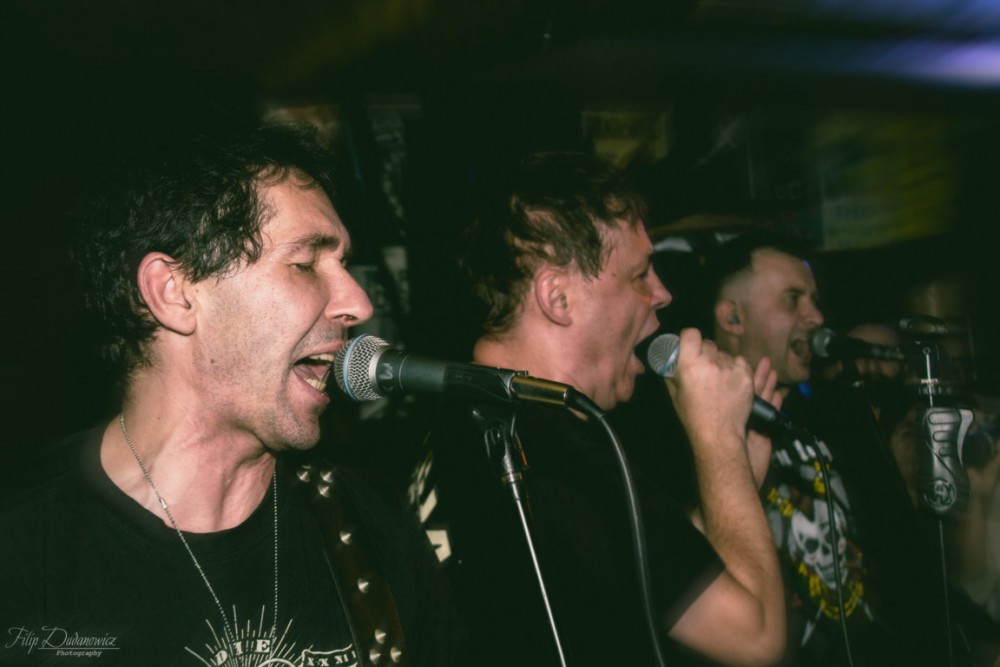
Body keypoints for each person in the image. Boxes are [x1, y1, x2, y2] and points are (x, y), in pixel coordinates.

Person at [0, 119, 463, 666]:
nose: (357, 303)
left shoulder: (373, 529)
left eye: (342, 264)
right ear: (174, 294)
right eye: (305, 263)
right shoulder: (24, 548)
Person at [407, 152, 786, 666]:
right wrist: (718, 438)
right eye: (640, 274)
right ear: (558, 298)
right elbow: (757, 638)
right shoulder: (553, 451)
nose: (662, 294)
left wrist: (733, 478)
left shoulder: (470, 412)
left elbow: (646, 574)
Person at [705, 231, 999, 666]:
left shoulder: (831, 413)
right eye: (792, 300)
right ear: (733, 318)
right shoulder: (696, 428)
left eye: (814, 300)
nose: (815, 316)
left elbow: (903, 555)